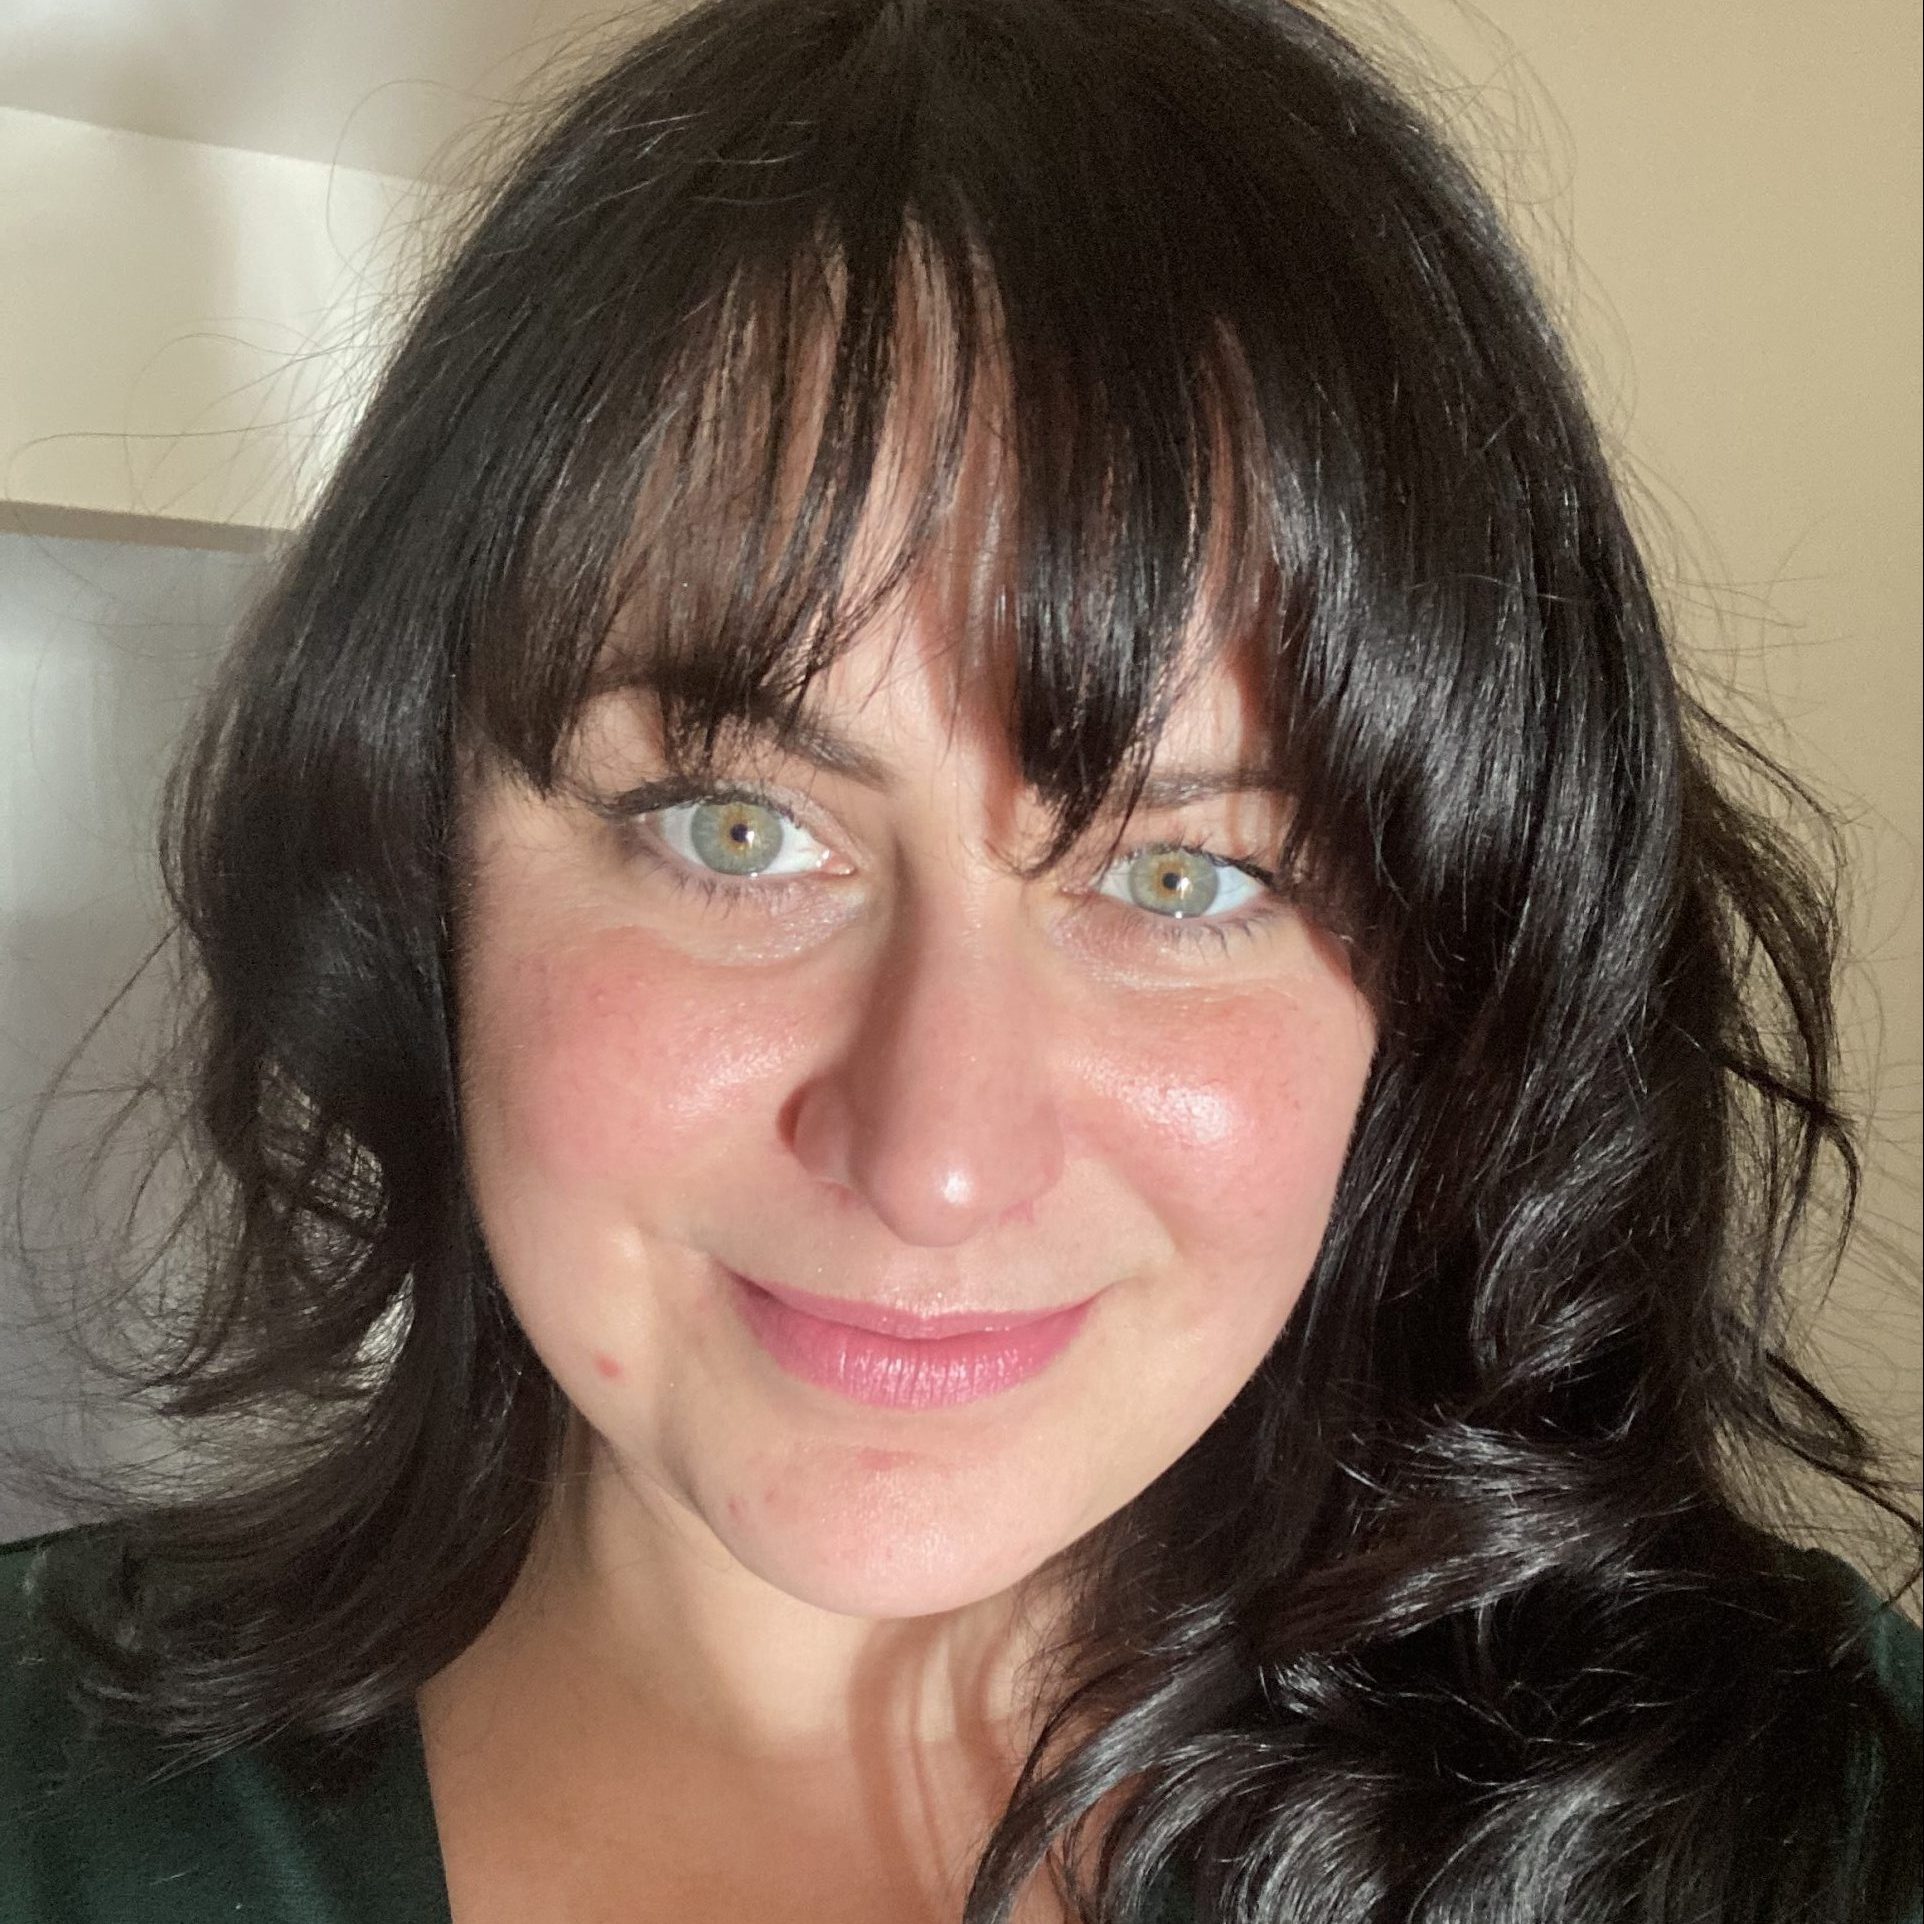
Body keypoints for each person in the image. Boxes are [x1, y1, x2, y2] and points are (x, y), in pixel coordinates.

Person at [2, 0, 1918, 1919]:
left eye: (1184, 876)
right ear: (419, 862)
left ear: (1444, 989)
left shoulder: (1820, 1811)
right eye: (735, 829)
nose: (936, 1160)